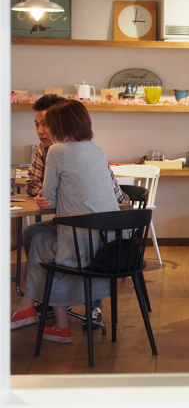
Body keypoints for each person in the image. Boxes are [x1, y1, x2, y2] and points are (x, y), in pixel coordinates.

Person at [11, 100, 123, 344]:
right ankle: (36, 305)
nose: (44, 130)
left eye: (48, 124)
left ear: (60, 126)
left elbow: (49, 199)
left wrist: (44, 199)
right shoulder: (97, 149)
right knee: (36, 233)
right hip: (112, 244)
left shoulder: (57, 151)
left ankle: (58, 324)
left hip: (82, 243)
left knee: (39, 239)